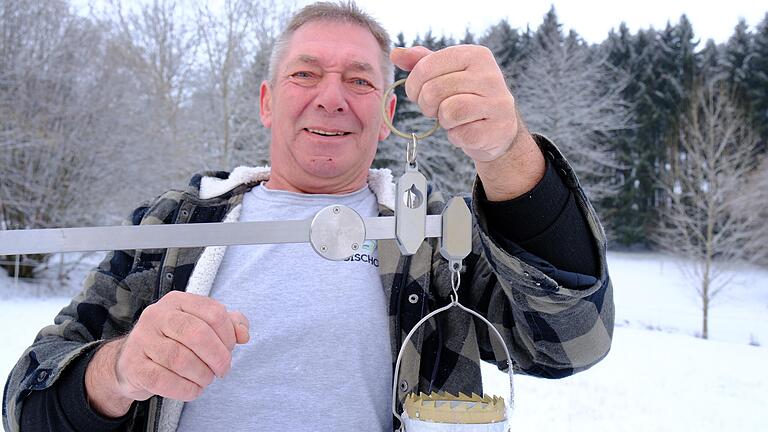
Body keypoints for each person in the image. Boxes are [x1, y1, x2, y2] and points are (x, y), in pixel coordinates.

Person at [2, 1, 614, 431]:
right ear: (268, 103)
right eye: (305, 74)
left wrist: (505, 152)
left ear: (386, 116)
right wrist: (118, 372)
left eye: (359, 80)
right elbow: (26, 405)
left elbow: (573, 341)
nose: (331, 96)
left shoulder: (428, 242)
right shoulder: (172, 229)